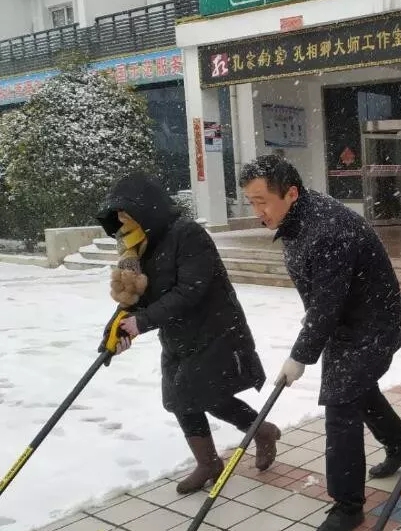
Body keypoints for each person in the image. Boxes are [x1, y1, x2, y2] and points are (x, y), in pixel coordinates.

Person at [239, 155, 401, 531]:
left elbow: (327, 303)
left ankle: (347, 505)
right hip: (348, 322)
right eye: (251, 202)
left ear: (291, 193)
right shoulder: (298, 218)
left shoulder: (327, 229)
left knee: (341, 405)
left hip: (372, 325)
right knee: (356, 390)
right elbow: (324, 298)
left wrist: (300, 355)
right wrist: (313, 332)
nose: (257, 211)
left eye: (262, 201)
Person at [97, 172, 279, 495]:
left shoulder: (188, 234)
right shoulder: (139, 250)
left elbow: (190, 290)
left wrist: (143, 322)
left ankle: (260, 431)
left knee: (208, 396)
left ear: (147, 209)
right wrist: (114, 333)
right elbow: (136, 300)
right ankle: (209, 462)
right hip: (178, 335)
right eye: (119, 218)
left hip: (215, 329)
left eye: (127, 215)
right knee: (179, 399)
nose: (123, 224)